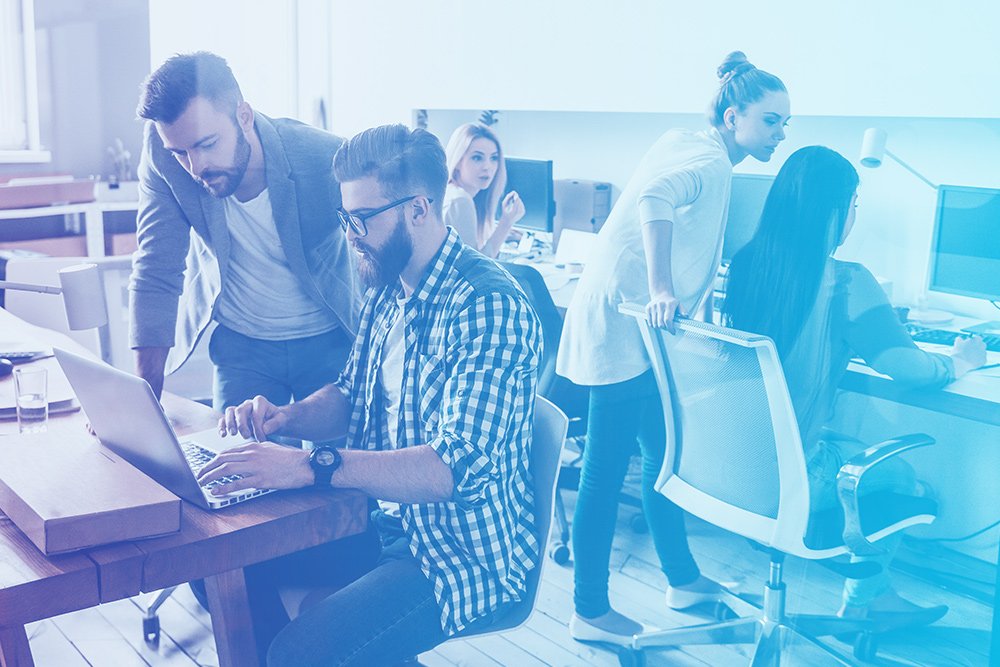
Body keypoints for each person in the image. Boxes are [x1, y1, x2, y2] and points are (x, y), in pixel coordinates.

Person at [197, 124, 542, 665]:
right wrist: (285, 419)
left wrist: (307, 466)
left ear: (420, 209)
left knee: (300, 654)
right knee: (218, 568)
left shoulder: (487, 304)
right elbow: (352, 395)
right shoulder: (387, 284)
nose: (349, 233)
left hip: (456, 554)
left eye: (361, 219)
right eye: (345, 218)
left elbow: (455, 468)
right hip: (377, 522)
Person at [556, 51, 790, 644]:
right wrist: (663, 290)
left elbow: (690, 240)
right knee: (607, 472)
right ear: (734, 115)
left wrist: (692, 301)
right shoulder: (709, 160)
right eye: (770, 121)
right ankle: (588, 611)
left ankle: (682, 580)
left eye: (786, 124)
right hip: (625, 323)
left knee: (665, 462)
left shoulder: (693, 144)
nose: (779, 134)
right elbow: (654, 202)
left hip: (636, 328)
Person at [722, 145, 986, 622]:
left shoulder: (745, 266)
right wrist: (961, 362)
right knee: (907, 480)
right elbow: (906, 366)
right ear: (834, 212)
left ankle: (871, 597)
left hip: (734, 467)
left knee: (844, 449)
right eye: (854, 206)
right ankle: (867, 603)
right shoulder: (845, 281)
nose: (854, 218)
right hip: (795, 477)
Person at [130, 52, 359, 412]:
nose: (196, 167)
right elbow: (156, 268)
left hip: (328, 339)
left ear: (244, 116)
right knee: (234, 464)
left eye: (207, 144)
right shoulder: (162, 152)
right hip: (242, 347)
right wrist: (141, 405)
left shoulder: (326, 157)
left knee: (330, 463)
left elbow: (382, 255)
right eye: (181, 153)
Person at [443, 123, 525, 257]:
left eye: (494, 158)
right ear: (457, 161)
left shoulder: (450, 192)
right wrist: (506, 223)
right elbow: (475, 268)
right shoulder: (460, 200)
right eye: (477, 157)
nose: (488, 166)